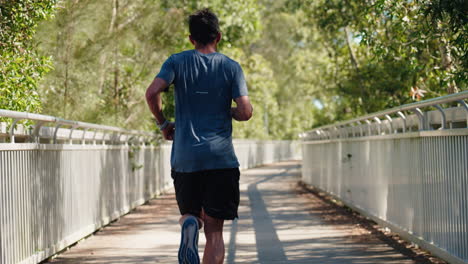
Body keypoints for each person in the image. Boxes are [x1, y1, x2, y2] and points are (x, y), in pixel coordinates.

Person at [145, 8, 253, 264]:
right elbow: (246, 111)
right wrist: (230, 111)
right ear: (219, 36)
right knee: (215, 233)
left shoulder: (176, 62)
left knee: (190, 214)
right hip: (220, 161)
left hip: (185, 159)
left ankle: (190, 222)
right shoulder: (231, 67)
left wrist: (163, 124)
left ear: (191, 39)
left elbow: (151, 93)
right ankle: (196, 225)